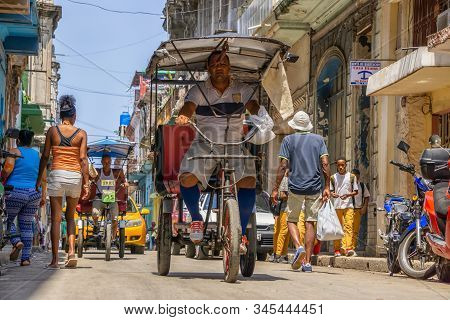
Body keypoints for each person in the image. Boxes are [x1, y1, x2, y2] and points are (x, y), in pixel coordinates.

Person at [175, 48, 267, 254]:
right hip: (205, 142)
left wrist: (262, 116)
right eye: (215, 64)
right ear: (208, 68)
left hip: (234, 143)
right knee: (187, 176)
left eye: (223, 63)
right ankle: (197, 219)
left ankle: (241, 232)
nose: (219, 67)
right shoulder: (198, 91)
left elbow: (253, 107)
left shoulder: (242, 89)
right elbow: (188, 107)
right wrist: (184, 116)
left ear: (229, 67)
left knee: (249, 180)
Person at [272, 111, 330, 272]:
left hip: (295, 187)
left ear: (295, 126)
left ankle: (298, 248)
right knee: (310, 222)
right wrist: (327, 187)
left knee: (292, 220)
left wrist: (275, 188)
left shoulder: (288, 140)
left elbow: (283, 166)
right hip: (314, 187)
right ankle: (307, 263)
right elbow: (325, 163)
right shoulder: (319, 140)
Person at [36, 95, 89, 269]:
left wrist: (38, 180)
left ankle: (54, 261)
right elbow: (83, 159)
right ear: (73, 116)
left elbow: (45, 157)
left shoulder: (52, 131)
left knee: (56, 219)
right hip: (75, 176)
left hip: (57, 175)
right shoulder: (81, 133)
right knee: (71, 217)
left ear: (61, 116)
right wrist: (86, 183)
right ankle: (72, 252)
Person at [1, 130, 44, 266]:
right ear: (30, 142)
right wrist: (43, 195)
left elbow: (7, 169)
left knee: (7, 220)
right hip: (34, 193)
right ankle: (25, 258)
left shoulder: (14, 151)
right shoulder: (37, 155)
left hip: (15, 192)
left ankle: (16, 241)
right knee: (26, 225)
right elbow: (43, 178)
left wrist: (2, 177)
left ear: (18, 140)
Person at [92, 154, 128, 239]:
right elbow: (92, 177)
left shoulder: (115, 172)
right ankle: (96, 225)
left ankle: (113, 238)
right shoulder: (98, 172)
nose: (106, 164)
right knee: (95, 213)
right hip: (99, 197)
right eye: (104, 162)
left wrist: (125, 183)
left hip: (111, 197)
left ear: (111, 162)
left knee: (115, 219)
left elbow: (124, 179)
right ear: (101, 162)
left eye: (108, 162)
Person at [330, 157, 359, 257]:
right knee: (338, 228)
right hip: (337, 206)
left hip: (348, 205)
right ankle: (337, 249)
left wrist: (348, 195)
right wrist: (333, 194)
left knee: (349, 226)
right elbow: (331, 191)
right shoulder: (333, 177)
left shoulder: (351, 177)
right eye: (339, 165)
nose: (341, 167)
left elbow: (356, 191)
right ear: (337, 166)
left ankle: (349, 248)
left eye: (343, 165)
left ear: (346, 165)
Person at [270, 173, 290, 263]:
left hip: (291, 209)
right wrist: (293, 195)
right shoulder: (285, 179)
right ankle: (277, 254)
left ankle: (284, 254)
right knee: (283, 231)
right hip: (285, 208)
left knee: (287, 233)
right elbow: (282, 195)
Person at [351, 168, 370, 254]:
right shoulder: (348, 185)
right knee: (348, 228)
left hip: (358, 210)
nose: (355, 178)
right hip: (349, 209)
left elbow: (366, 196)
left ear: (358, 177)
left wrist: (365, 207)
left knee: (357, 229)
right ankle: (348, 246)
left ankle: (353, 246)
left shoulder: (362, 185)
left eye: (356, 176)